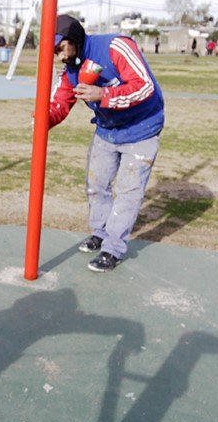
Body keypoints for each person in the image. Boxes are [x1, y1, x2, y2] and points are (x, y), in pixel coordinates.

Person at [45, 14, 165, 273]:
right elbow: (59, 105)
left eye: (61, 48)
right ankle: (100, 232)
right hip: (106, 132)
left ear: (73, 38)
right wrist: (42, 119)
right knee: (96, 185)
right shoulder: (71, 70)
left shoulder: (116, 47)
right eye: (55, 52)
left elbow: (144, 87)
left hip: (141, 129)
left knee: (127, 192)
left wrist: (104, 94)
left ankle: (113, 249)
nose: (61, 57)